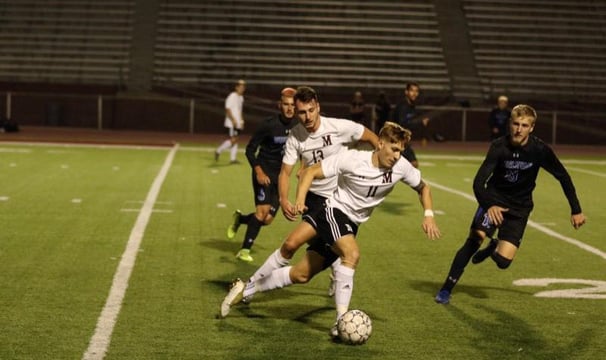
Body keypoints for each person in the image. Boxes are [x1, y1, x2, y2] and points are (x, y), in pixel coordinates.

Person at [220, 122, 441, 340]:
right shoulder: (353, 159)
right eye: (394, 149)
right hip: (334, 212)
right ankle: (341, 320)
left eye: (400, 151)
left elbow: (424, 188)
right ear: (380, 143)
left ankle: (247, 289)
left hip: (351, 224)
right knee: (351, 254)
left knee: (301, 274)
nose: (396, 156)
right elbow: (310, 172)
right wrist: (300, 200)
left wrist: (428, 214)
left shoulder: (401, 167)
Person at [434, 104, 586, 305]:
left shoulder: (539, 150)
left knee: (503, 262)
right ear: (509, 123)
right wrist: (489, 205)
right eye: (516, 123)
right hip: (494, 201)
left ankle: (494, 246)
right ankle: (446, 289)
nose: (519, 129)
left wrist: (576, 210)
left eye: (524, 125)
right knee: (474, 239)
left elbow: (563, 176)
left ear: (532, 128)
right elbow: (479, 183)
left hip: (520, 209)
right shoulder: (499, 146)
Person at [227, 87, 298, 262]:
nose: (289, 109)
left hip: (281, 177)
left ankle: (241, 219)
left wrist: (303, 167)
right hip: (264, 173)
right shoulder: (268, 124)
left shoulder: (299, 127)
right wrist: (258, 171)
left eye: (292, 105)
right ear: (279, 105)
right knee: (261, 212)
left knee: (267, 220)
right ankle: (244, 250)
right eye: (286, 105)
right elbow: (250, 150)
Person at [215, 79, 246, 164]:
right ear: (236, 87)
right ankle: (218, 150)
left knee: (236, 139)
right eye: (240, 87)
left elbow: (240, 110)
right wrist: (233, 120)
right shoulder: (232, 96)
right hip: (232, 123)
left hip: (238, 122)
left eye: (243, 87)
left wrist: (241, 120)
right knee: (233, 140)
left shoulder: (241, 98)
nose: (242, 88)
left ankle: (232, 158)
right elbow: (227, 108)